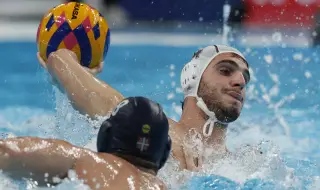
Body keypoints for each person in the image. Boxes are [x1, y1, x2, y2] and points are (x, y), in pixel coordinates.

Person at [37, 44, 250, 171]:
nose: (240, 80)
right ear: (192, 79)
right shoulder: (154, 130)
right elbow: (102, 101)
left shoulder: (246, 164)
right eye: (225, 70)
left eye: (245, 77)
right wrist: (62, 58)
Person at [0, 96, 171, 189]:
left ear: (104, 136)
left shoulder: (92, 162)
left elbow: (7, 152)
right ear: (164, 153)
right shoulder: (161, 186)